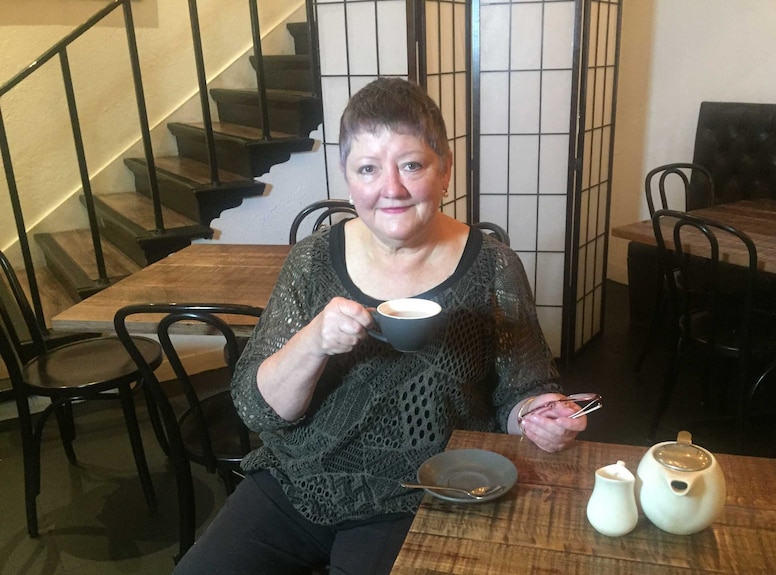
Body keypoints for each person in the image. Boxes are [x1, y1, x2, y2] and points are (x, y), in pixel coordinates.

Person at [174, 77, 588, 575]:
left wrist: (538, 415)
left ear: (444, 171)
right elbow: (257, 409)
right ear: (349, 179)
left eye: (411, 165)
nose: (390, 188)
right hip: (300, 474)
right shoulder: (311, 263)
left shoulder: (492, 266)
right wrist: (315, 340)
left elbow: (523, 390)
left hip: (423, 487)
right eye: (368, 168)